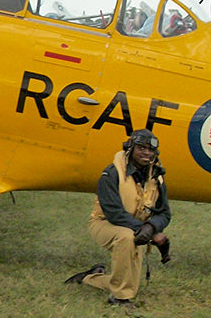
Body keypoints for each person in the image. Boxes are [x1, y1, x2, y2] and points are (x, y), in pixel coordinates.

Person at [64, 129, 171, 309]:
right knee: (126, 237)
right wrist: (145, 230)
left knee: (130, 283)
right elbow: (113, 212)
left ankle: (89, 277)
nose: (146, 153)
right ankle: (119, 299)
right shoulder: (111, 174)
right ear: (130, 149)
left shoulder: (156, 176)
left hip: (138, 229)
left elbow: (165, 213)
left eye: (150, 150)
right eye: (141, 148)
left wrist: (152, 227)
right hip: (105, 223)